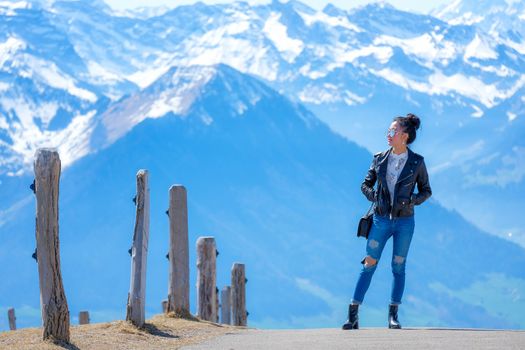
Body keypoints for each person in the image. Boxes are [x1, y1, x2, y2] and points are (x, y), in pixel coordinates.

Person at [342, 113, 432, 330]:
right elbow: (365, 184)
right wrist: (374, 196)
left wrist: (412, 200)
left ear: (405, 136)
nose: (388, 135)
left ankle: (393, 316)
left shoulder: (416, 162)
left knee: (398, 267)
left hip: (404, 223)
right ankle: (353, 314)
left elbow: (426, 191)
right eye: (389, 131)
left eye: (393, 131)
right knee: (369, 264)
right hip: (380, 220)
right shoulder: (379, 158)